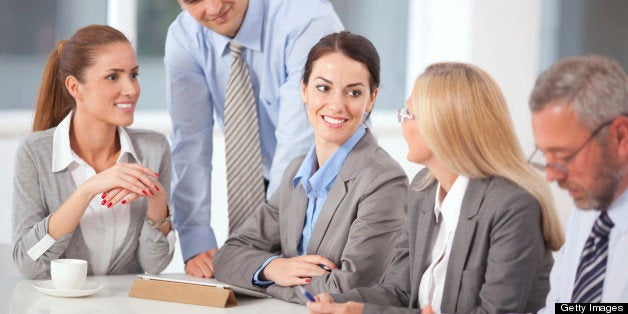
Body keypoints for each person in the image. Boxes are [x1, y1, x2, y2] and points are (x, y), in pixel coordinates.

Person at [307, 62, 565, 314]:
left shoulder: (512, 206)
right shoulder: (423, 187)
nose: (403, 123)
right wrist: (340, 303)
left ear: (444, 125)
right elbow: (399, 291)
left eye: (408, 115)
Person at [213, 31, 408, 304]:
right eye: (323, 88)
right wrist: (274, 267)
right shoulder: (297, 171)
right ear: (303, 90)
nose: (336, 105)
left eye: (353, 92)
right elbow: (228, 255)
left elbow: (347, 288)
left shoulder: (384, 180)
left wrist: (268, 281)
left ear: (371, 99)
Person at [165, 0, 344, 278]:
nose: (214, 7)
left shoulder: (306, 19)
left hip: (333, 177)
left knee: (321, 283)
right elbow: (190, 143)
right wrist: (196, 240)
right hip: (263, 178)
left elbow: (299, 139)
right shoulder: (185, 37)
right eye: (193, 0)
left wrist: (250, 252)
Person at [12, 25, 174, 279]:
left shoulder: (153, 149)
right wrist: (87, 191)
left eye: (133, 75)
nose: (131, 89)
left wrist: (157, 201)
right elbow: (28, 262)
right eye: (113, 77)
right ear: (75, 87)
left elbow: (155, 265)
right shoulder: (35, 153)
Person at [528, 55, 628, 308]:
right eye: (544, 156)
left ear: (620, 136)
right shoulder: (589, 210)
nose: (551, 175)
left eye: (564, 156)